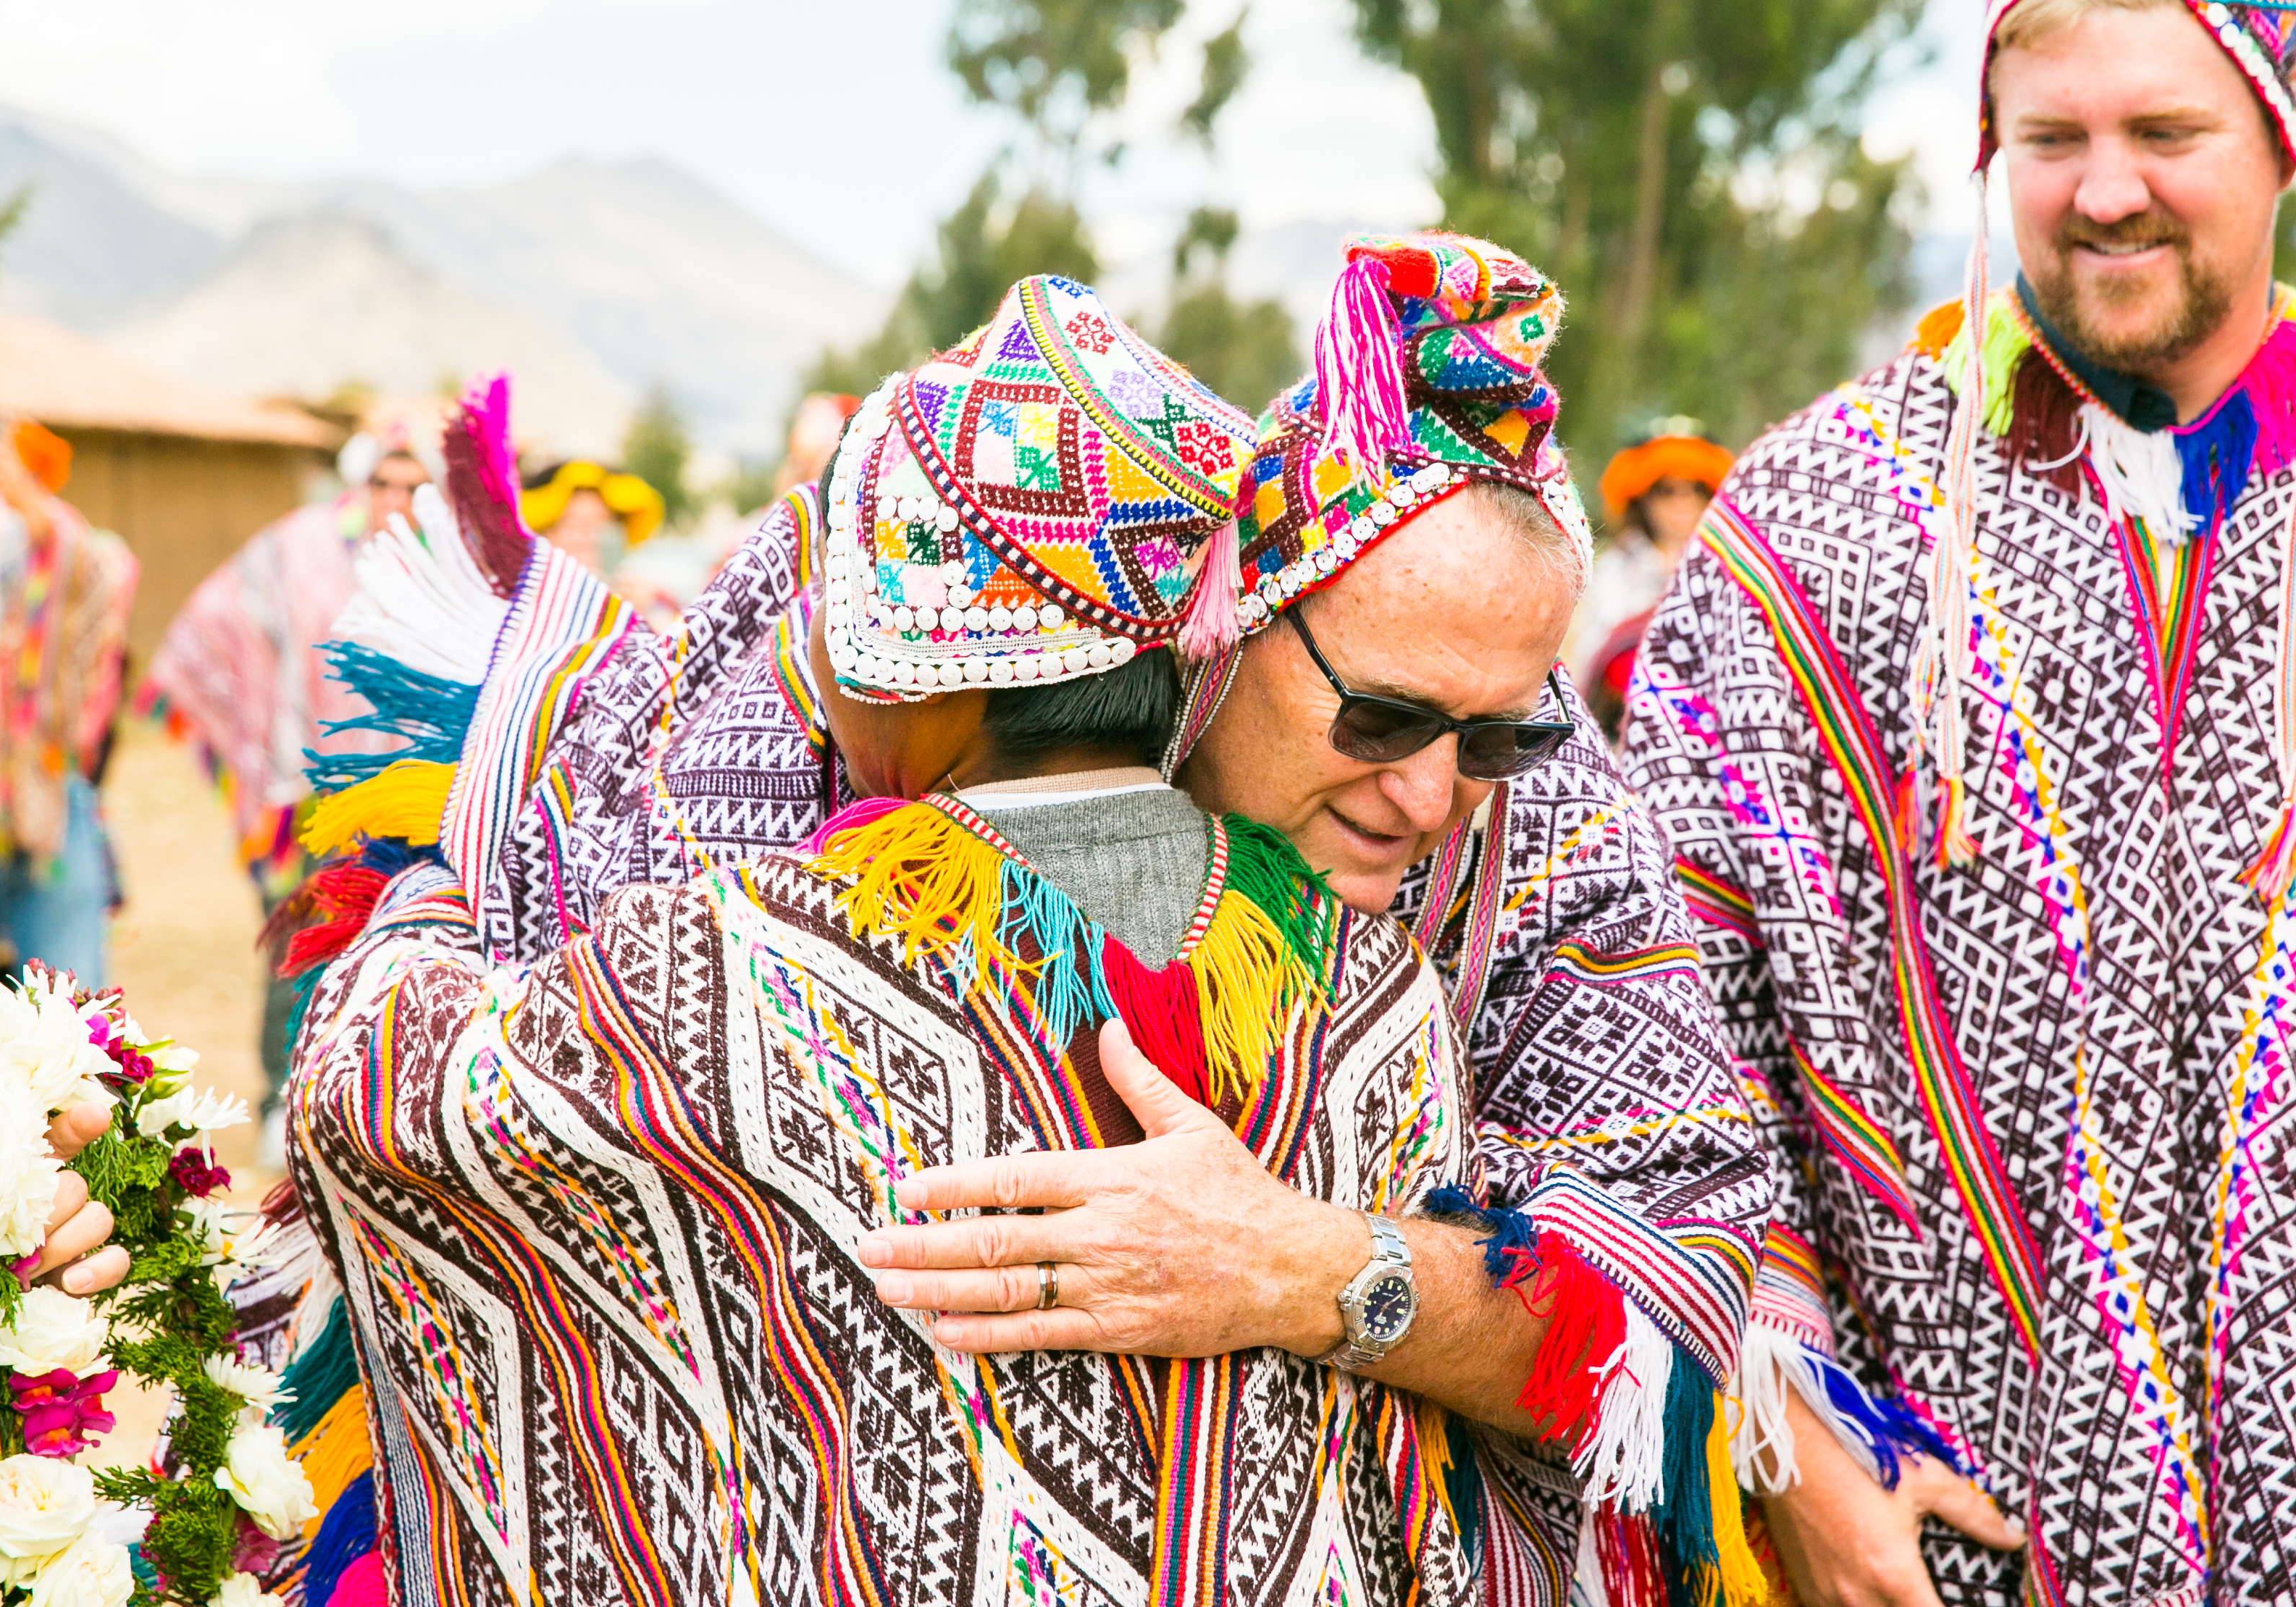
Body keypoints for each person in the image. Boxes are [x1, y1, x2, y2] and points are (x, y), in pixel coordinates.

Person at [255, 247, 1773, 1599]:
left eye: (1500, 733)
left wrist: (1321, 1270)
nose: (1440, 791)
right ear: (1218, 636)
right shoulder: (1364, 1000)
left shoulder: (1497, 887)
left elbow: (1671, 1295)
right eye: (1377, 714)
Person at [1622, 1, 2296, 1602]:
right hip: (1949, 1535)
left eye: (2163, 135)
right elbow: (1657, 1011)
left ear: (2288, 145)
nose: (2103, 192)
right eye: (2050, 141)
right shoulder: (1817, 529)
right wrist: (1783, 1430)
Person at [143, 429, 431, 1136]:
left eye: (412, 485)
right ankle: (281, 1099)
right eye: (384, 482)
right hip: (317, 790)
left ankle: (372, 1104)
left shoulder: (442, 563)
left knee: (399, 939)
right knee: (300, 936)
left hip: (417, 793)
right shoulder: (301, 547)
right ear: (361, 482)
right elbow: (220, 617)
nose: (395, 498)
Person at [0, 378, 137, 1002]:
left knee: (70, 1001)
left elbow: (100, 578)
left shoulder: (24, 526)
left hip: (44, 795)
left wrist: (24, 497)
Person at [1563, 419, 1732, 736]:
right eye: (1666, 490)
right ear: (1643, 498)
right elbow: (1589, 657)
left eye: (1695, 489)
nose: (1681, 502)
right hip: (1622, 729)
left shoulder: (1730, 569)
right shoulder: (1614, 569)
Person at [518, 456, 665, 579]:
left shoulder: (639, 601)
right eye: (572, 525)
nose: (587, 535)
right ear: (545, 532)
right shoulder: (518, 597)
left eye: (600, 525)